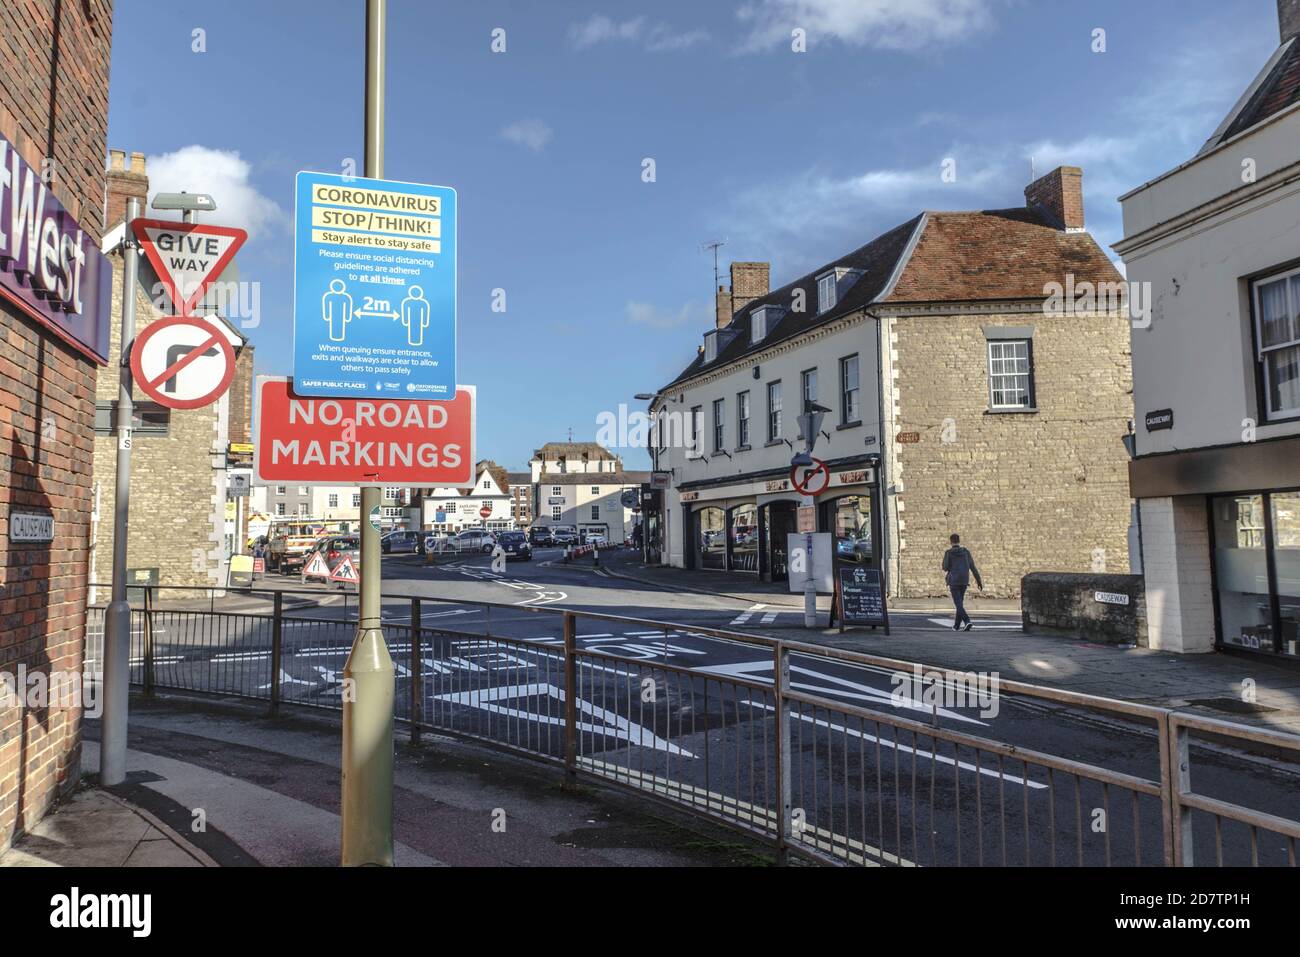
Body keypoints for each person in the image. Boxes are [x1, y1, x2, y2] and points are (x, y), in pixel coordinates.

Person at [942, 533, 983, 632]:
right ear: (959, 541)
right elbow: (973, 567)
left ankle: (967, 620)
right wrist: (979, 581)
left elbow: (945, 567)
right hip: (964, 580)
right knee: (959, 603)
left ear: (951, 541)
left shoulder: (948, 553)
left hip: (954, 580)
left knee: (958, 604)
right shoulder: (966, 552)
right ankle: (956, 626)